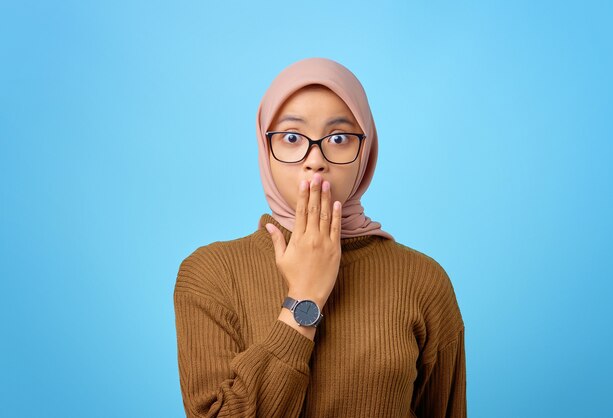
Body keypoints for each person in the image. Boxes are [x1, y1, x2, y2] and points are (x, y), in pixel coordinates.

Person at [173, 57, 466, 418]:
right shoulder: (209, 275)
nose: (315, 160)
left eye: (339, 138)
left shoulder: (422, 280)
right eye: (292, 137)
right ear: (266, 148)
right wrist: (303, 300)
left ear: (366, 149)